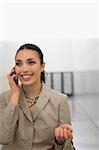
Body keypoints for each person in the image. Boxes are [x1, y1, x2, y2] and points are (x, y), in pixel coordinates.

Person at [0, 43, 75, 150]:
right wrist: (15, 94)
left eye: (31, 62)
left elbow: (68, 147)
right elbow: (3, 137)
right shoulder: (4, 98)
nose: (24, 69)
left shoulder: (60, 100)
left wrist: (60, 140)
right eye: (18, 64)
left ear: (42, 66)